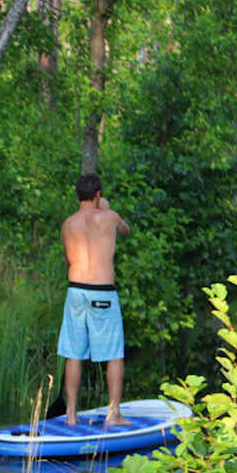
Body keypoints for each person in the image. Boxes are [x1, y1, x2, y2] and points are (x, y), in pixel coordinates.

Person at [58, 172, 130, 426]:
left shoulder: (68, 224)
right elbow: (126, 231)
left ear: (78, 195)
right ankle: (114, 414)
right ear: (98, 195)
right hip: (103, 292)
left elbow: (68, 260)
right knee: (114, 354)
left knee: (73, 353)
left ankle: (71, 415)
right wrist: (107, 209)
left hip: (76, 291)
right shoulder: (109, 217)